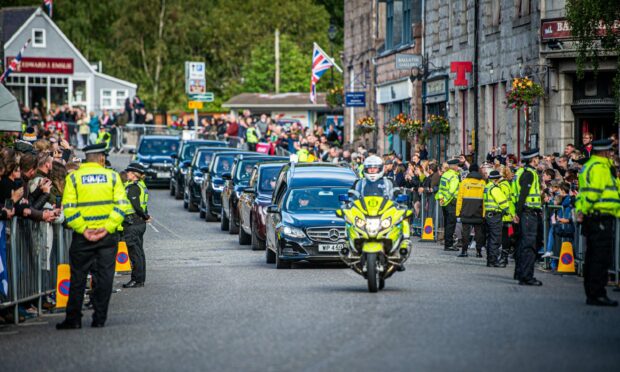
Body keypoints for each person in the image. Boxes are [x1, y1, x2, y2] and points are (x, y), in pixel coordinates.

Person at [56, 143, 130, 329]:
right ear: (102, 158)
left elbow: (69, 209)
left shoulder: (73, 178)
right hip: (107, 237)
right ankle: (99, 318)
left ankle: (73, 319)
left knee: (78, 276)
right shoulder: (112, 177)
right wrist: (107, 227)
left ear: (87, 159)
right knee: (105, 276)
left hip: (82, 237)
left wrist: (84, 229)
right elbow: (121, 206)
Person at [575, 139, 620, 307]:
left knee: (592, 255)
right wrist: (584, 210)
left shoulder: (588, 166)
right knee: (600, 257)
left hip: (591, 216)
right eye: (610, 151)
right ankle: (597, 293)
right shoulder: (601, 168)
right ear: (604, 152)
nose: (611, 154)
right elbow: (594, 193)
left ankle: (591, 292)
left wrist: (580, 211)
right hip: (600, 215)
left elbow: (582, 192)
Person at [512, 148, 543, 286]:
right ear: (533, 159)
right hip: (528, 213)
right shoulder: (529, 174)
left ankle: (519, 273)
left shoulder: (521, 172)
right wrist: (517, 214)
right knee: (529, 245)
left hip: (524, 213)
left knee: (521, 244)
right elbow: (523, 196)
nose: (539, 160)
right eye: (537, 158)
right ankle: (526, 276)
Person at [122, 163, 150, 288]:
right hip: (138, 223)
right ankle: (140, 279)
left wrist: (145, 216)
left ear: (134, 175)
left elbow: (136, 206)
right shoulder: (141, 185)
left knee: (134, 253)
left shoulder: (132, 187)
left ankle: (137, 280)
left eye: (129, 172)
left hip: (133, 223)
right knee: (139, 252)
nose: (126, 174)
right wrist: (145, 216)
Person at [455, 163, 486, 258]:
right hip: (479, 211)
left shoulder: (464, 182)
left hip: (466, 211)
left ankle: (464, 251)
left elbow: (459, 199)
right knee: (479, 232)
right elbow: (485, 200)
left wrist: (458, 212)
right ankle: (479, 252)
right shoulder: (483, 183)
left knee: (465, 232)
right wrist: (484, 213)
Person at [484, 171, 511, 267]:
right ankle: (493, 260)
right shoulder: (495, 189)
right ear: (496, 179)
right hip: (495, 215)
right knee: (495, 239)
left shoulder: (487, 187)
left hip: (488, 215)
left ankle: (490, 260)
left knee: (490, 238)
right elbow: (503, 201)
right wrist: (507, 211)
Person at [436, 158, 460, 251]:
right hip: (451, 202)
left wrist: (442, 200)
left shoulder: (445, 174)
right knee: (451, 224)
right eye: (457, 165)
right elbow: (451, 190)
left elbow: (441, 189)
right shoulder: (454, 176)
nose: (458, 167)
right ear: (454, 167)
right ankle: (449, 245)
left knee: (447, 224)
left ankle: (447, 243)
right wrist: (447, 200)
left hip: (444, 203)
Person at [498, 166, 515, 266]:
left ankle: (504, 258)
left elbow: (503, 200)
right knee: (506, 236)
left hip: (505, 214)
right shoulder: (506, 184)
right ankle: (504, 257)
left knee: (505, 237)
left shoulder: (503, 185)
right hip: (507, 214)